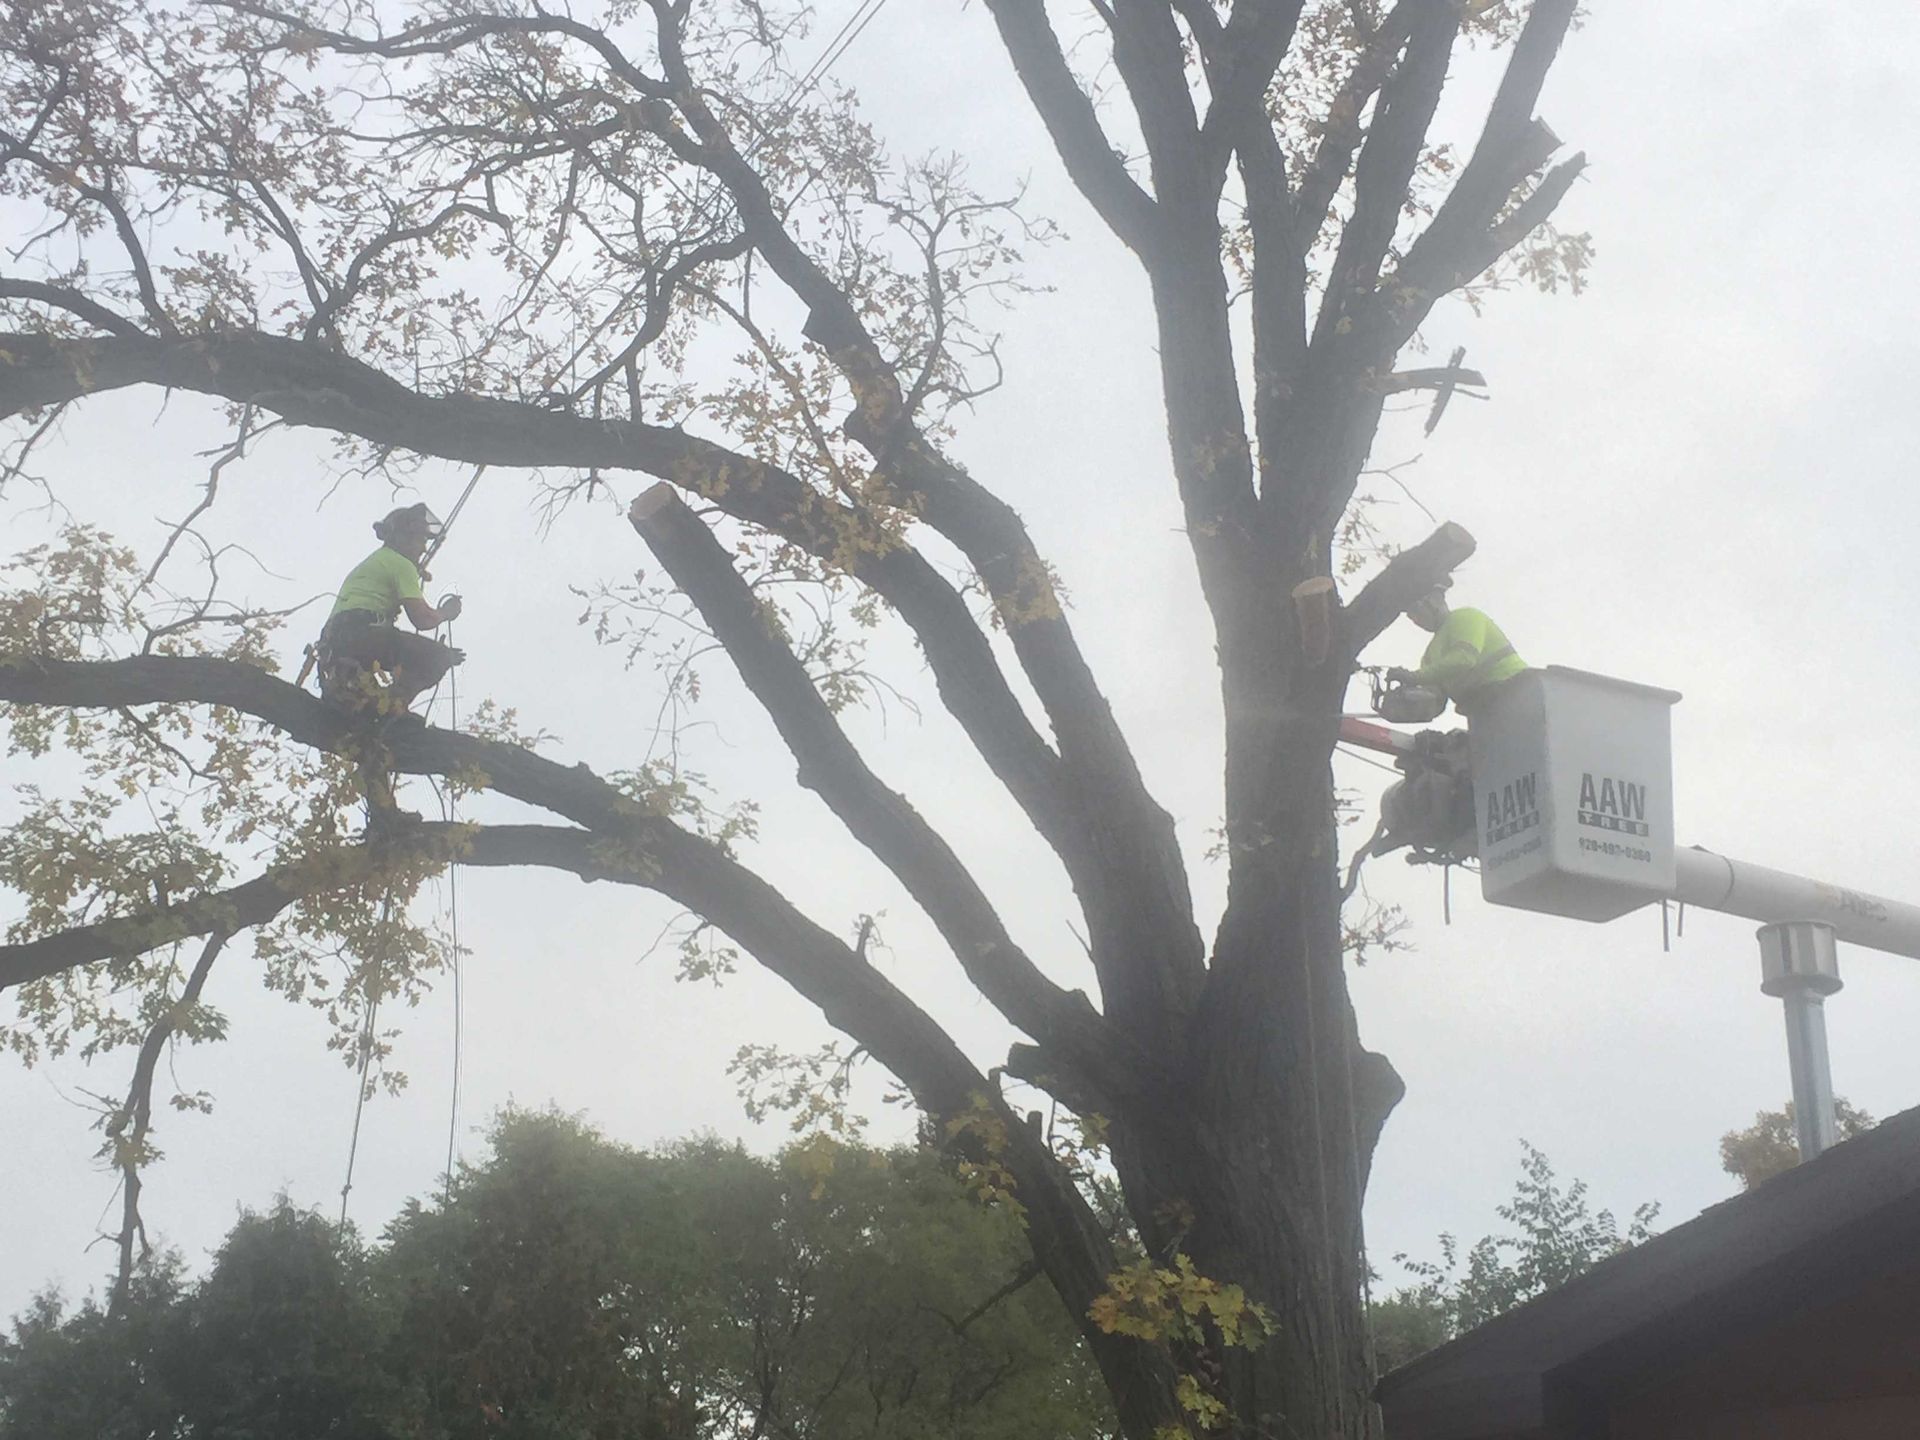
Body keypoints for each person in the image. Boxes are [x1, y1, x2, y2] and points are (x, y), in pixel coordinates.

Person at [318, 503, 464, 725]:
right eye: (420, 540)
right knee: (436, 656)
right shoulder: (399, 564)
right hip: (362, 635)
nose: (423, 548)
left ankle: (363, 706)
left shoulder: (380, 560)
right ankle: (392, 711)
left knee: (362, 705)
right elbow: (422, 619)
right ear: (403, 538)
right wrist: (445, 613)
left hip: (338, 640)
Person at [1386, 579, 1527, 719]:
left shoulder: (1465, 617)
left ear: (1433, 602)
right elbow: (1435, 701)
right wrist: (1405, 702)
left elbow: (1464, 658)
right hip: (1483, 710)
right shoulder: (1429, 657)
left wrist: (1414, 677)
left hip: (1517, 692)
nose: (1416, 621)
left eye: (1417, 611)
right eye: (1411, 617)